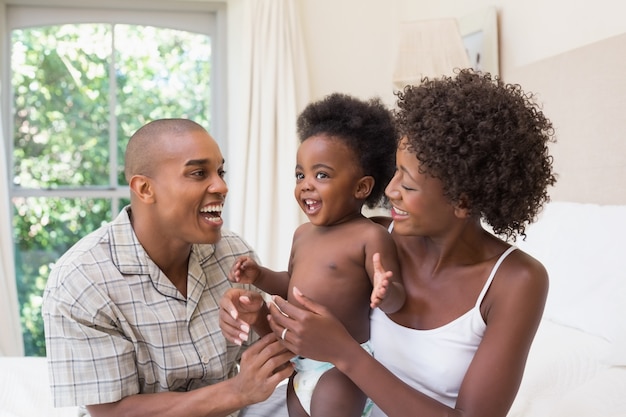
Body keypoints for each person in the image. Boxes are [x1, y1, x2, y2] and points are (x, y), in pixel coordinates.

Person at [222, 69, 557, 417]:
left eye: (408, 185)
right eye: (395, 170)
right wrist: (258, 313)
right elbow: (308, 339)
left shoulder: (516, 281)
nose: (390, 190)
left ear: (463, 201)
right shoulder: (375, 239)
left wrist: (345, 354)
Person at [42, 118, 294, 417]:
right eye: (199, 173)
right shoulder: (81, 280)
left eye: (220, 172)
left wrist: (261, 317)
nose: (222, 186)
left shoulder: (233, 253)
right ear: (145, 188)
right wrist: (236, 391)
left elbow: (280, 363)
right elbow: (111, 413)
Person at [226, 93, 406, 417]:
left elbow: (397, 303)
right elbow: (291, 285)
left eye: (321, 175)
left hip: (341, 367)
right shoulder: (302, 234)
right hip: (299, 364)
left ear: (361, 188)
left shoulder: (370, 236)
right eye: (300, 175)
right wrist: (260, 275)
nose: (306, 185)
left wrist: (386, 290)